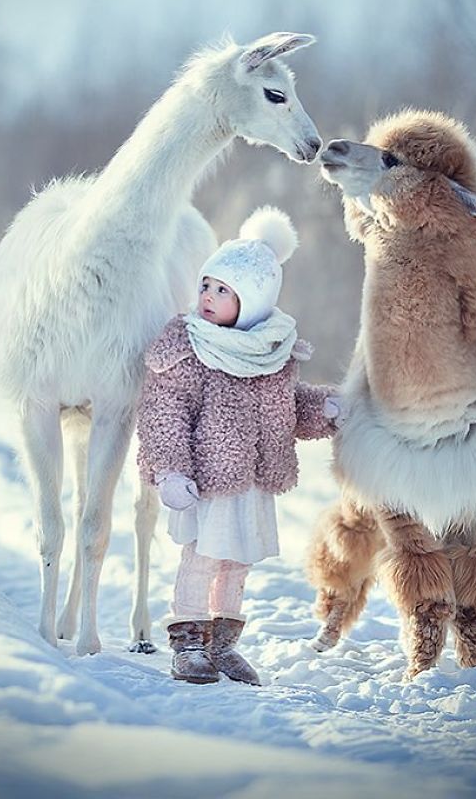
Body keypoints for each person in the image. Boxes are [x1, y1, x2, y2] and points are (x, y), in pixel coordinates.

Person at [136, 206, 342, 685]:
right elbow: (163, 413)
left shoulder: (272, 351)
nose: (207, 296)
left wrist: (327, 410)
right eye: (206, 285)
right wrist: (170, 471)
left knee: (236, 563)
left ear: (252, 302)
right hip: (204, 481)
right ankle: (189, 642)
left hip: (252, 481)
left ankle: (222, 644)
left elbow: (287, 410)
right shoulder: (187, 347)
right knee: (203, 559)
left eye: (223, 291)